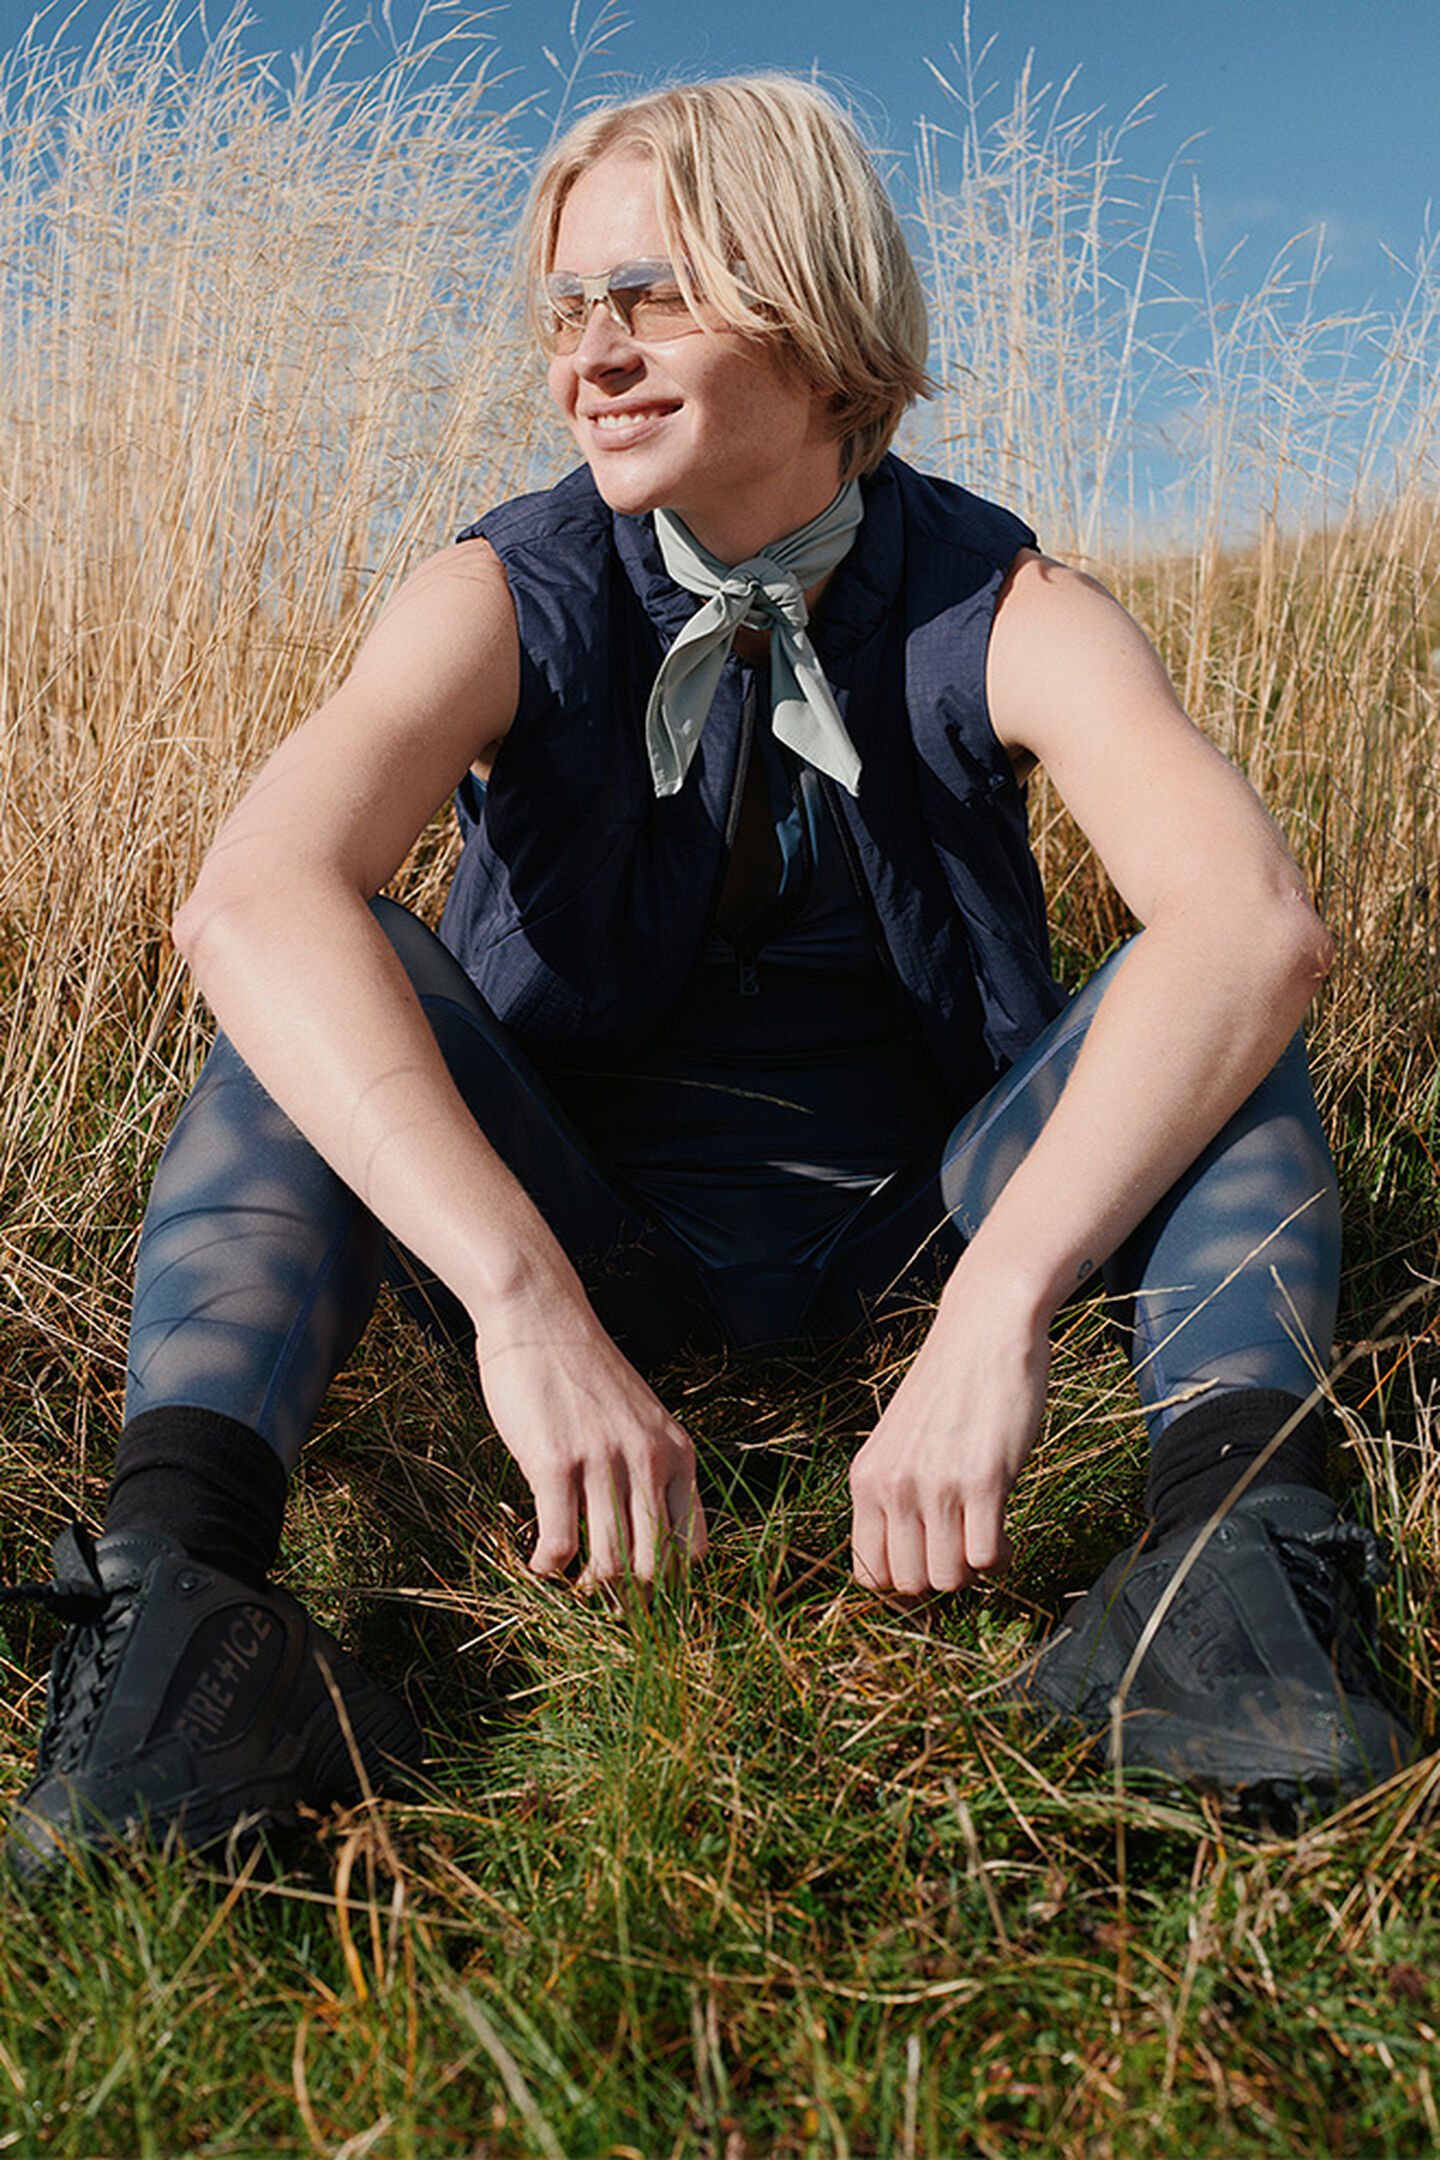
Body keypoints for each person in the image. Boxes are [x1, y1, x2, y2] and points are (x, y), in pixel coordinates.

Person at [5, 75, 1416, 1879]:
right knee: (300, 984)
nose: (593, 352)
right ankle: (184, 1621)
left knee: (1213, 1009)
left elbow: (1253, 927)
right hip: (587, 1237)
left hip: (923, 1241)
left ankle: (1235, 1597)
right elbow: (248, 897)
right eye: (571, 308)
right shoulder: (504, 590)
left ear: (821, 324)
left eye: (655, 293)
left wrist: (996, 1315)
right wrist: (523, 1306)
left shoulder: (1004, 601)